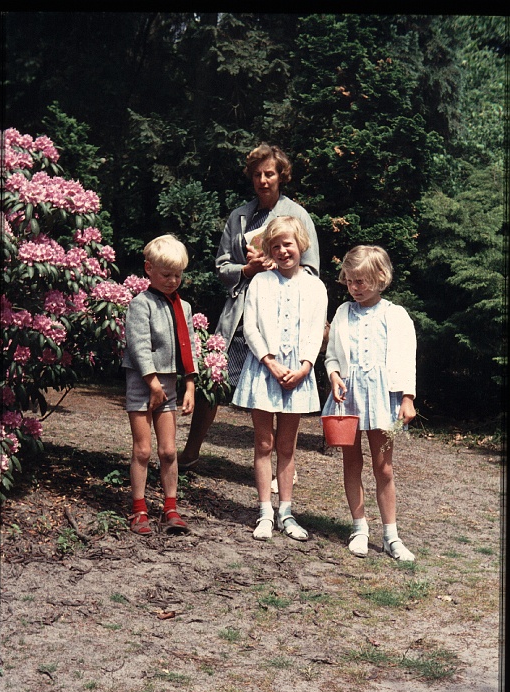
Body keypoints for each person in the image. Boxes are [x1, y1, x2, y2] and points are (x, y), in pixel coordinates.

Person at [177, 143, 320, 475]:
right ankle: (191, 451)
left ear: (281, 175)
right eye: (257, 174)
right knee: (213, 380)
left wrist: (279, 268)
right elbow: (221, 265)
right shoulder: (240, 216)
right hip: (240, 315)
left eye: (269, 173)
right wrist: (247, 270)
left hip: (282, 319)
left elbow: (311, 271)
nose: (263, 180)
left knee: (277, 389)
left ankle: (282, 467)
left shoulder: (298, 216)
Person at [232, 216, 328, 541]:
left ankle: (286, 512)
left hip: (298, 374)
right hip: (264, 370)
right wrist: (270, 362)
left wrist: (304, 367)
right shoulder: (261, 282)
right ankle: (264, 513)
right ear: (269, 250)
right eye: (276, 246)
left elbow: (316, 332)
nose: (283, 251)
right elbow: (250, 328)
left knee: (287, 445)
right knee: (264, 442)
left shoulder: (315, 287)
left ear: (301, 244)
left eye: (288, 244)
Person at [322, 245, 416, 561]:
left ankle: (391, 536)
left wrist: (407, 397)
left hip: (383, 396)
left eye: (361, 281)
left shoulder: (395, 314)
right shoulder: (342, 313)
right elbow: (332, 355)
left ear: (380, 277)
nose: (354, 287)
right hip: (349, 397)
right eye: (350, 281)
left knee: (383, 466)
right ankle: (359, 528)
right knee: (352, 462)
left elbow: (406, 358)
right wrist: (334, 375)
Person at [122, 235, 197, 536]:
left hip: (169, 385)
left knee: (168, 450)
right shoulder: (140, 305)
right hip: (143, 383)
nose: (172, 280)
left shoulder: (184, 307)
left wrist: (190, 385)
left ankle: (170, 507)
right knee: (143, 450)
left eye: (177, 275)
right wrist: (152, 383)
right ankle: (139, 509)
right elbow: (139, 347)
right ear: (148, 269)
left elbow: (189, 347)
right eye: (166, 274)